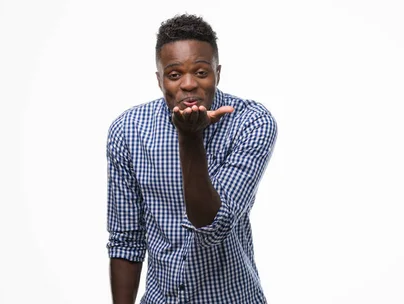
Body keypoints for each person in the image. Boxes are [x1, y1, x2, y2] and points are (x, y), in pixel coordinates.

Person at [106, 13, 277, 304]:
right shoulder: (128, 130)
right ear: (159, 80)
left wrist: (189, 137)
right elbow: (126, 242)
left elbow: (212, 224)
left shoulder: (252, 123)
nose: (188, 84)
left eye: (200, 72)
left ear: (217, 73)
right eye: (174, 75)